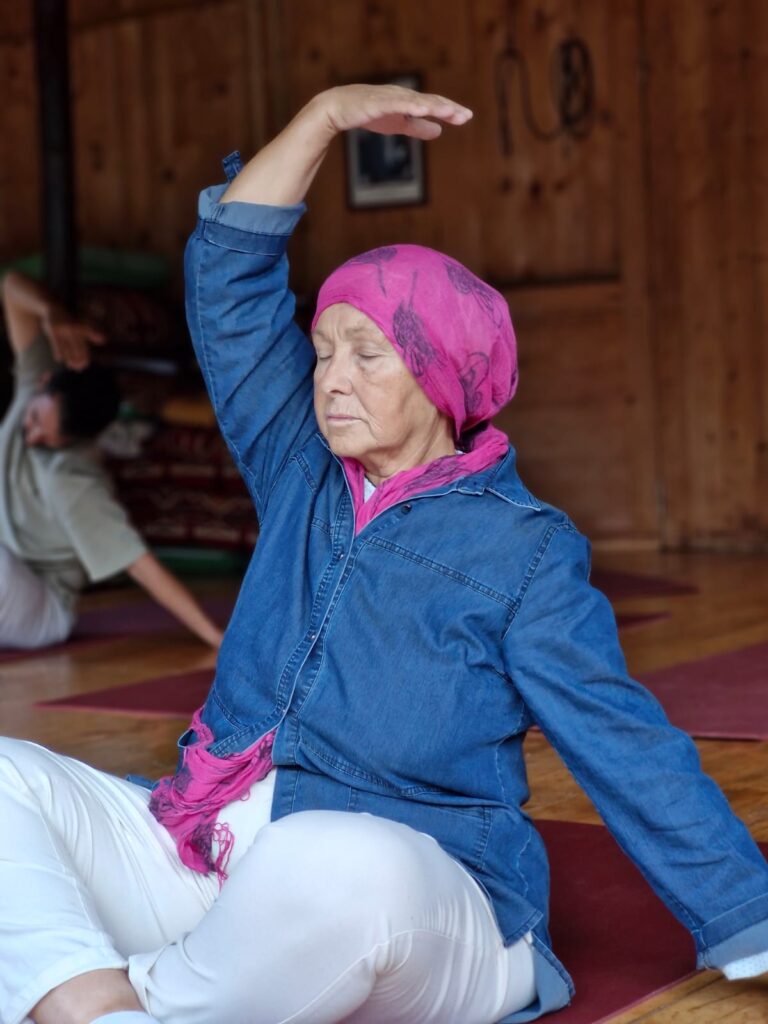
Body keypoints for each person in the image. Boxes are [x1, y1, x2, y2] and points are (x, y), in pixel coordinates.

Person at [1, 84, 767, 1024]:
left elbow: (624, 744)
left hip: (420, 902)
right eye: (323, 352)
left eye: (367, 354)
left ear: (442, 372)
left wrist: (750, 916)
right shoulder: (299, 464)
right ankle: (109, 1009)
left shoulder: (522, 550)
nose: (330, 382)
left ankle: (103, 993)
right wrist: (322, 116)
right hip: (212, 855)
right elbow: (232, 276)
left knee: (329, 855)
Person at [0, 271, 223, 650]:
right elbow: (11, 288)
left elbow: (140, 564)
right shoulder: (36, 381)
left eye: (48, 437)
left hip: (41, 606)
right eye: (35, 419)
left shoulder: (72, 479)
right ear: (42, 385)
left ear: (72, 441)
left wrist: (218, 639)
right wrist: (52, 311)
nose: (32, 436)